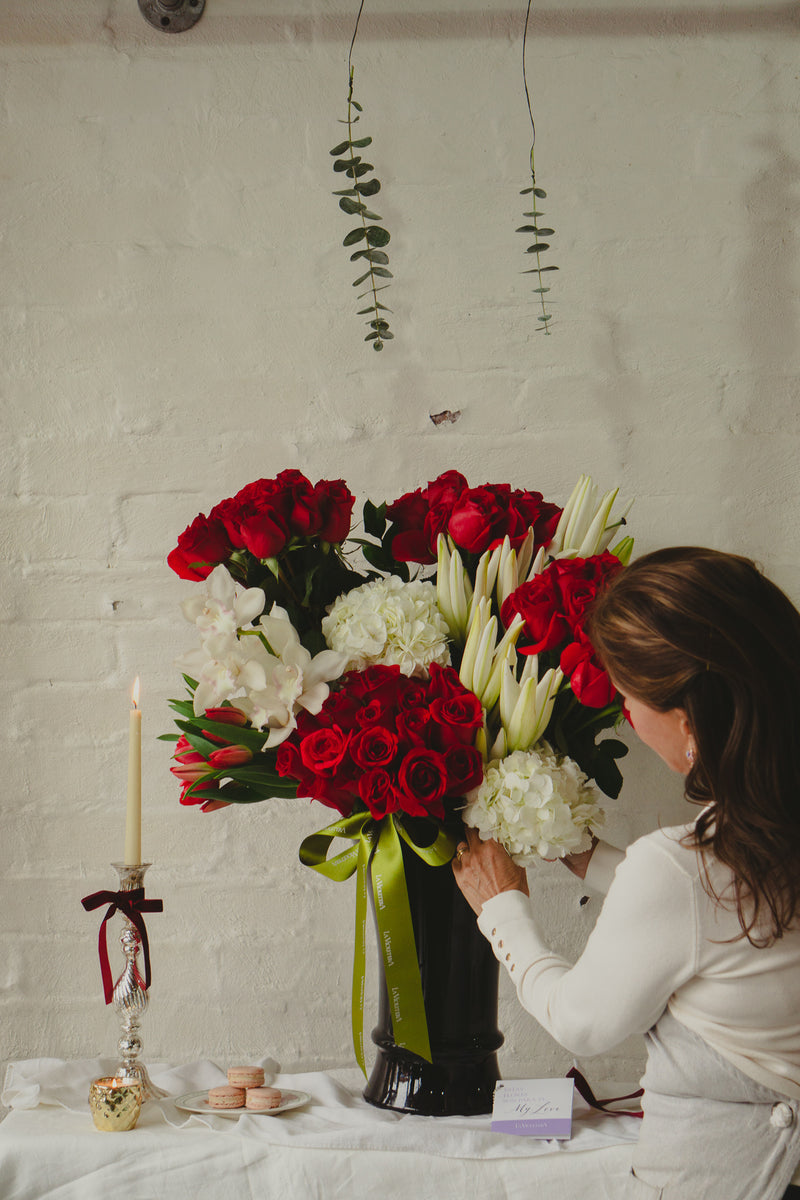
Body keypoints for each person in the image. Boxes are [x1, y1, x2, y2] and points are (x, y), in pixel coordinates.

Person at [453, 547, 800, 1200]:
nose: (630, 718)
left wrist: (501, 909)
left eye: (628, 697)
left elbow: (582, 1022)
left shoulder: (680, 867)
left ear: (688, 719)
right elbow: (728, 912)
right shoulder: (765, 834)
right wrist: (592, 858)